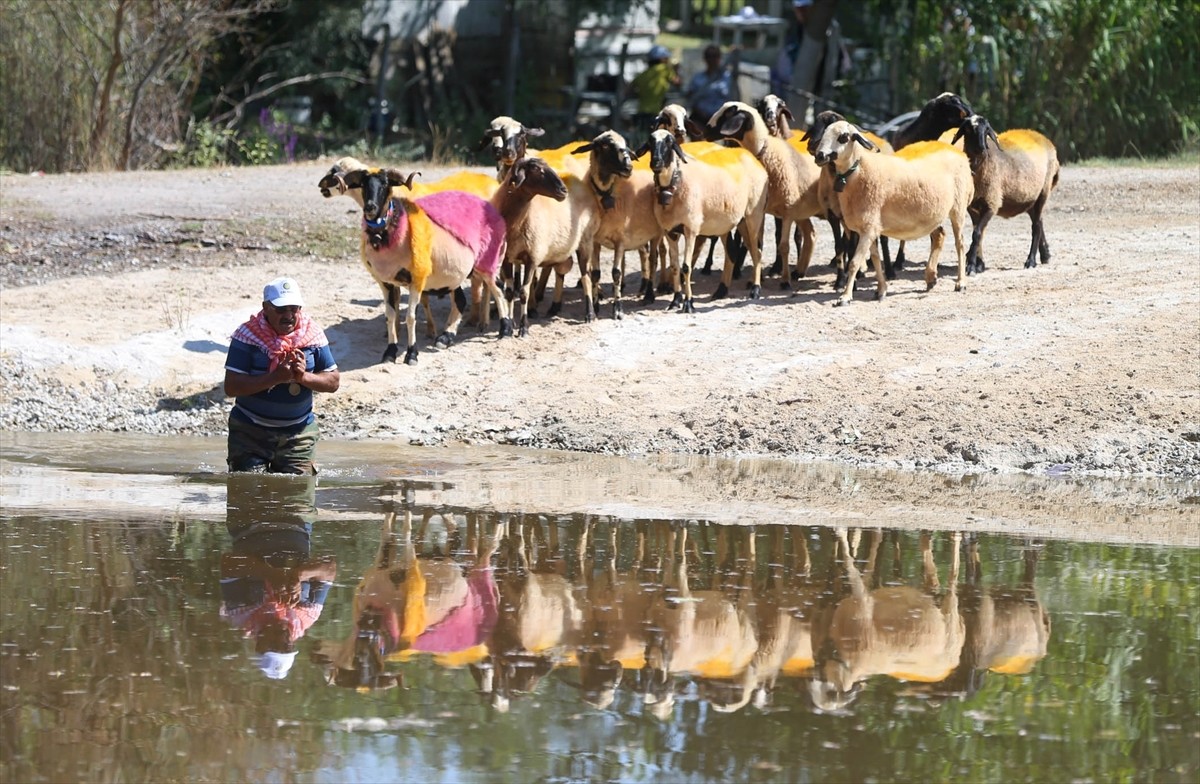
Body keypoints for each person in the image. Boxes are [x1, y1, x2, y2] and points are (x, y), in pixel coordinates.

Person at [219, 473, 337, 680]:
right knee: (297, 457)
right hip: (297, 517)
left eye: (275, 646)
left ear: (259, 645)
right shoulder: (307, 616)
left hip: (247, 518)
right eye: (288, 647)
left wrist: (270, 574)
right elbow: (329, 567)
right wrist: (298, 576)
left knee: (246, 465)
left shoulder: (240, 614)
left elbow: (229, 562)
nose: (284, 640)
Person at [224, 276, 340, 475]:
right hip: (249, 433)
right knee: (249, 497)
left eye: (293, 308)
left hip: (298, 435)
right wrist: (275, 378)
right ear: (266, 308)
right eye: (281, 309)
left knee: (298, 502)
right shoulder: (247, 336)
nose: (288, 315)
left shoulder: (312, 336)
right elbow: (231, 387)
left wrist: (303, 378)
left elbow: (333, 381)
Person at [685, 44, 740, 129]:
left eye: (715, 56)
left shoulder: (728, 78)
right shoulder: (698, 78)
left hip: (722, 119)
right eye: (709, 56)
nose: (712, 60)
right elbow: (690, 97)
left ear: (719, 58)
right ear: (705, 58)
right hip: (700, 118)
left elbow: (734, 98)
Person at [629, 44, 681, 133]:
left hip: (641, 113)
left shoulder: (643, 74)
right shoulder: (665, 70)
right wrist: (676, 70)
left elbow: (630, 88)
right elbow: (677, 83)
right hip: (656, 114)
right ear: (662, 59)